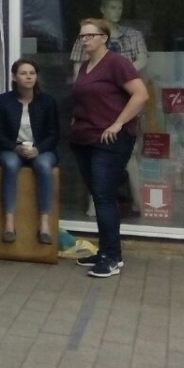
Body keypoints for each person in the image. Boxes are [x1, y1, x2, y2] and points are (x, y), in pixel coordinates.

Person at [69, 19, 149, 279]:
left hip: (110, 140)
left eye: (89, 35)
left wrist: (118, 123)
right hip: (84, 138)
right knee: (99, 195)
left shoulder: (117, 63)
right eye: (81, 36)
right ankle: (109, 251)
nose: (84, 40)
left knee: (104, 196)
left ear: (104, 38)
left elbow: (141, 95)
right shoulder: (85, 66)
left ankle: (110, 258)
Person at [70, 0, 148, 217]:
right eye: (113, 7)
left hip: (125, 103)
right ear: (102, 8)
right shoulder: (86, 37)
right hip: (94, 109)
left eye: (120, 7)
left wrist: (115, 73)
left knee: (130, 156)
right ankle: (95, 206)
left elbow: (142, 61)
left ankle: (139, 204)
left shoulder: (132, 36)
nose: (117, 11)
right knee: (95, 165)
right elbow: (78, 70)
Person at [0, 59, 59, 245]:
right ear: (14, 77)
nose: (29, 77)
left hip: (41, 148)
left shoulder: (47, 101)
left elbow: (54, 134)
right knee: (11, 164)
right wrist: (15, 147)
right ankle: (9, 223)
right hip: (11, 148)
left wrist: (38, 149)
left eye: (32, 73)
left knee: (43, 165)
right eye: (23, 73)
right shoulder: (3, 101)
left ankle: (44, 225)